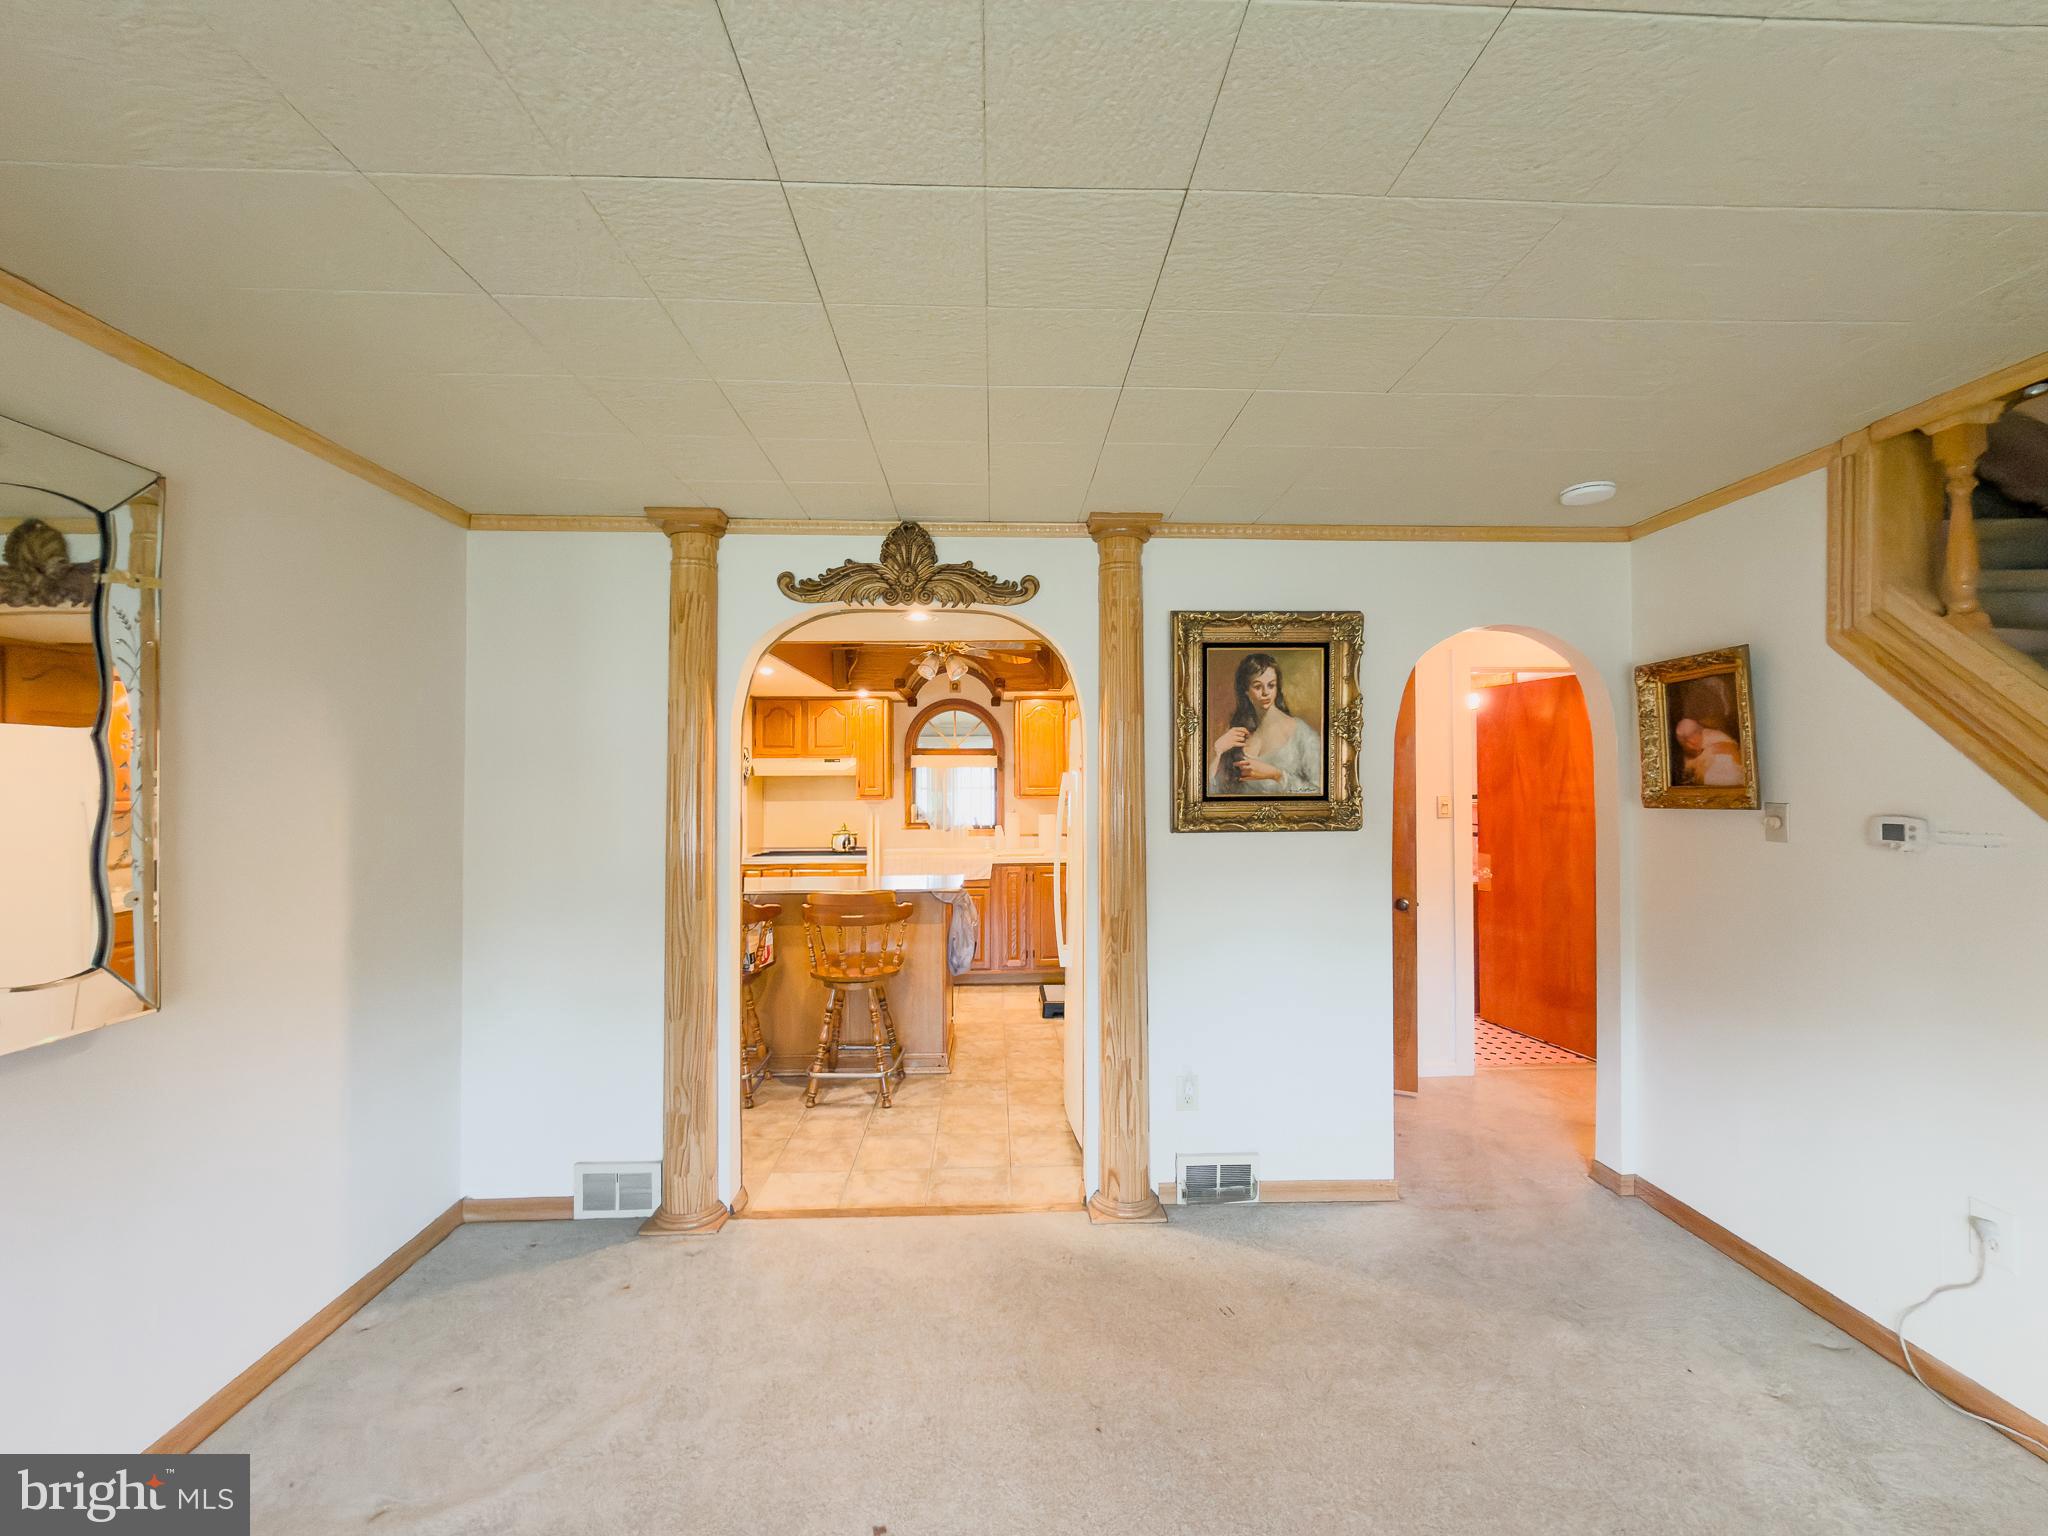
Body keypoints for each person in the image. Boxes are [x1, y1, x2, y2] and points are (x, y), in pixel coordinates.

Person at [1209, 652, 1323, 796]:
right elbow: (1215, 793)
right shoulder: (1237, 733)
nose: (1265, 693)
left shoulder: (1301, 732)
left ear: (1277, 687)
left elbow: (1320, 791)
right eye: (1257, 686)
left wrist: (1277, 775)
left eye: (1271, 685)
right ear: (1246, 691)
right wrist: (1216, 752)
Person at [1675, 717, 1744, 786]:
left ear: (1699, 732)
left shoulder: (1714, 737)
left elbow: (1733, 751)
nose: (1691, 743)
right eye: (1687, 742)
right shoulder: (1686, 752)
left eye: (1693, 736)